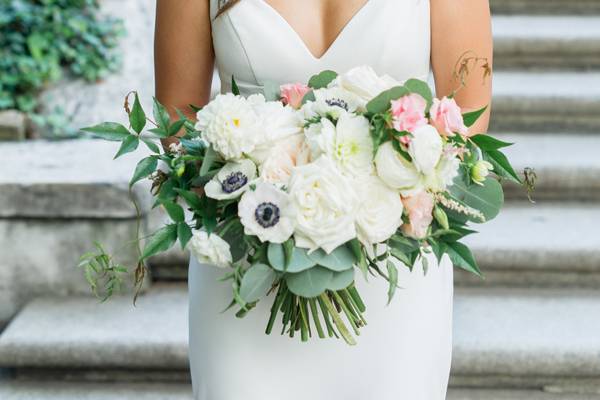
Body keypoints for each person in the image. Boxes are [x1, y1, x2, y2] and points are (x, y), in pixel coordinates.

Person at [154, 1, 492, 399]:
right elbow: (179, 121)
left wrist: (378, 186)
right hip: (249, 264)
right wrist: (266, 198)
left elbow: (468, 110)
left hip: (391, 259)